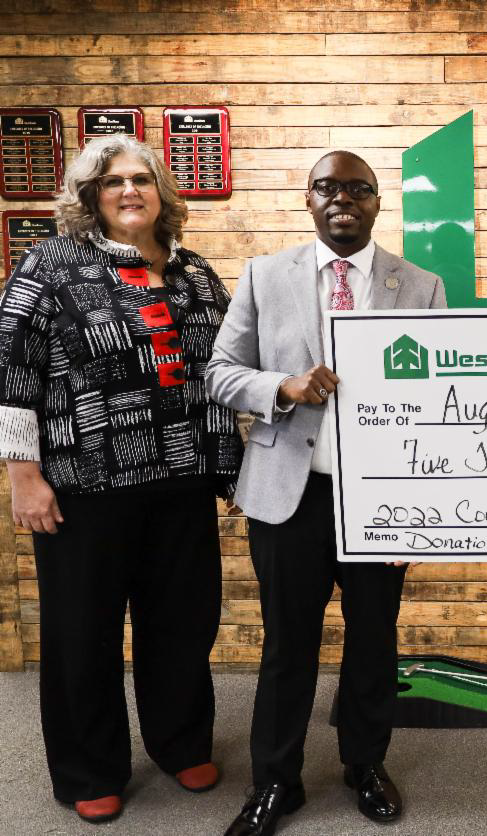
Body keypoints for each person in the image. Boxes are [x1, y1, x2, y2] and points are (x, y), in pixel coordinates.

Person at [0, 134, 242, 823]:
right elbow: (12, 368)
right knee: (83, 634)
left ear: (163, 192)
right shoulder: (50, 265)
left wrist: (231, 466)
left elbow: (221, 373)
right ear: (90, 197)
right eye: (113, 182)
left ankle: (179, 743)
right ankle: (89, 769)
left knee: (182, 626)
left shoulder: (195, 274)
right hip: (85, 485)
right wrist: (24, 474)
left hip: (182, 483)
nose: (129, 191)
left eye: (142, 179)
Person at [206, 150, 446, 836]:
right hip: (290, 495)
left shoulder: (421, 285)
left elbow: (436, 404)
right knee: (287, 643)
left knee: (374, 640)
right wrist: (279, 387)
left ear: (377, 202)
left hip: (379, 501)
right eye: (327, 187)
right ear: (307, 199)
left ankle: (365, 766)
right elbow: (220, 374)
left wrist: (419, 513)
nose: (343, 198)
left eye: (359, 189)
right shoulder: (264, 276)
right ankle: (275, 783)